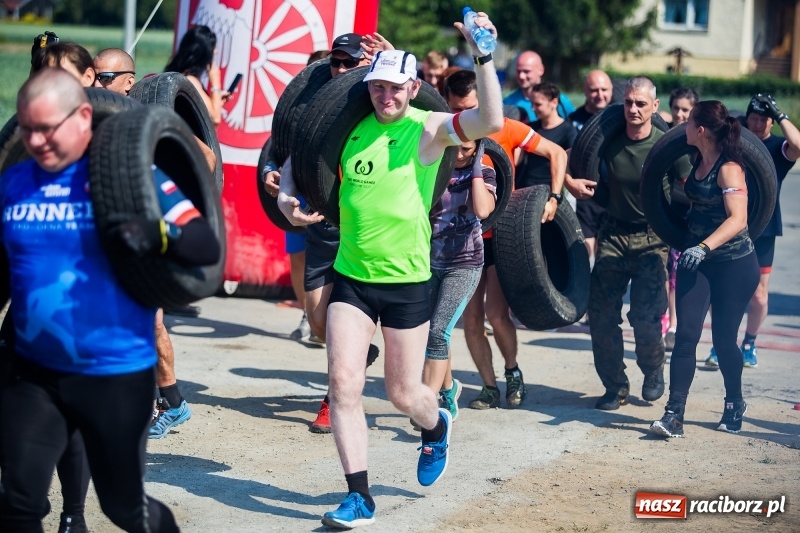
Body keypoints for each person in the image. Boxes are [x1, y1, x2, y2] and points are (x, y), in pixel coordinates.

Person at [0, 67, 220, 532]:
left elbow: (204, 244)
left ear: (83, 116)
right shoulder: (13, 184)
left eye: (47, 128)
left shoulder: (130, 176)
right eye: (27, 128)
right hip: (33, 373)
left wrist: (156, 232)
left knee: (124, 509)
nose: (35, 141)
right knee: (18, 504)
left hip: (113, 373)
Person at [311, 12, 504, 527]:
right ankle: (359, 497)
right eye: (377, 87)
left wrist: (483, 57)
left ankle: (435, 425)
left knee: (403, 393)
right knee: (343, 385)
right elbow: (299, 166)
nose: (385, 97)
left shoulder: (428, 130)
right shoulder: (349, 129)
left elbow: (490, 123)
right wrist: (288, 199)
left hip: (406, 282)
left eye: (395, 88)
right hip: (352, 276)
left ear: (413, 87)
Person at [267, 32, 383, 432]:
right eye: (337, 62)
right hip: (323, 227)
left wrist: (394, 61)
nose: (341, 70)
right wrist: (274, 178)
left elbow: (427, 116)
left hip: (366, 229)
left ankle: (334, 397)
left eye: (351, 63)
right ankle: (358, 357)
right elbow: (283, 146)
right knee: (318, 324)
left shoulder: (381, 105)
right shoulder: (313, 107)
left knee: (343, 323)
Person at [443, 69, 567, 410]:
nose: (461, 117)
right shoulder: (442, 131)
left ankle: (512, 372)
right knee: (469, 321)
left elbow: (557, 153)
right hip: (459, 238)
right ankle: (488, 386)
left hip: (500, 236)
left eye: (468, 108)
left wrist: (555, 197)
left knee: (496, 314)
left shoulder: (504, 128)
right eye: (455, 109)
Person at [565, 76, 691, 411]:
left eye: (640, 103)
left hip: (653, 237)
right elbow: (564, 156)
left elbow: (691, 182)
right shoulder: (610, 138)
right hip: (614, 234)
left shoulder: (666, 144)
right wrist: (569, 182)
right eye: (629, 102)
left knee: (647, 319)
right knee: (602, 315)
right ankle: (614, 386)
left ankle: (652, 370)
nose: (633, 109)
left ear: (655, 106)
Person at [92, 47, 198, 440]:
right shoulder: (87, 117)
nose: (97, 83)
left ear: (128, 81)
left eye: (106, 78)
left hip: (147, 237)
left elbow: (204, 159)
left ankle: (167, 403)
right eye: (93, 75)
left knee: (148, 322)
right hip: (103, 235)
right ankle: (167, 401)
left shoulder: (149, 120)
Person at [649, 101, 759, 438]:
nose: (681, 126)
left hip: (733, 265)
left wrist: (704, 246)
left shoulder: (729, 168)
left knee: (725, 341)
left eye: (688, 122)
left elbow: (738, 219)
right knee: (686, 337)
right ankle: (674, 415)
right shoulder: (698, 159)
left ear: (700, 130)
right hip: (697, 262)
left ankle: (734, 403)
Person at [704, 94, 799, 369]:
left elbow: (798, 145)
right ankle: (720, 342)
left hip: (764, 227)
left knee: (758, 293)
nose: (757, 124)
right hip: (730, 223)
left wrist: (781, 115)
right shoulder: (735, 144)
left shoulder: (776, 146)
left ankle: (749, 344)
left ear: (771, 121)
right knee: (721, 290)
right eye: (753, 118)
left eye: (763, 119)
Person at [419, 139, 497, 426]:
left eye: (468, 150)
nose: (461, 155)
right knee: (433, 332)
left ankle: (425, 405)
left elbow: (483, 209)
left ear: (476, 150)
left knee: (439, 331)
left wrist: (476, 167)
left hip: (465, 264)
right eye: (457, 149)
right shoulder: (435, 169)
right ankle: (448, 390)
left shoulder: (484, 173)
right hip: (429, 262)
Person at [662, 87, 700, 352]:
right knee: (662, 269)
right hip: (663, 209)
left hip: (689, 213)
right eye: (676, 108)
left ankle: (674, 326)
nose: (679, 114)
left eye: (685, 110)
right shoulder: (662, 135)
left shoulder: (699, 140)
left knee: (677, 271)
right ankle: (665, 320)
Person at [568, 70, 613, 269]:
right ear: (585, 91)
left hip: (614, 194)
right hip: (586, 193)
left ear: (611, 90)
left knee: (608, 250)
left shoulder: (621, 117)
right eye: (594, 90)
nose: (600, 94)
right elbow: (564, 157)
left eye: (604, 89)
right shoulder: (574, 120)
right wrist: (570, 183)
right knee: (585, 244)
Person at [165, 25, 231, 127]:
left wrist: (216, 101)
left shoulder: (182, 75)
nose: (216, 52)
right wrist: (216, 82)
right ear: (203, 54)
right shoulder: (190, 80)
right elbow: (215, 119)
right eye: (213, 49)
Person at [516, 82, 578, 189]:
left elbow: (571, 164)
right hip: (523, 188)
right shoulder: (531, 128)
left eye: (538, 104)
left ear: (554, 102)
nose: (533, 108)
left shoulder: (568, 131)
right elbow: (517, 159)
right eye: (532, 104)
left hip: (548, 190)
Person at [503, 50, 574, 123]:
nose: (521, 76)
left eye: (526, 71)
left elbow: (574, 126)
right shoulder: (508, 103)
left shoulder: (558, 100)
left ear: (541, 70)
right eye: (518, 71)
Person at [30, 42, 96, 87]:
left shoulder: (101, 106)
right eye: (42, 77)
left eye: (61, 74)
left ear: (88, 77)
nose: (50, 82)